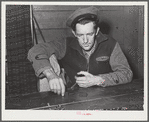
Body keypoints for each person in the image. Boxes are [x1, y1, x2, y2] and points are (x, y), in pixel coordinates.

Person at [28, 6, 133, 96]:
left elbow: (126, 73)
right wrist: (50, 74)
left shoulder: (110, 44)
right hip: (74, 97)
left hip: (106, 95)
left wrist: (99, 80)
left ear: (97, 31)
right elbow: (35, 50)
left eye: (89, 34)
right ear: (74, 33)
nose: (85, 40)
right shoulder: (65, 44)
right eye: (80, 35)